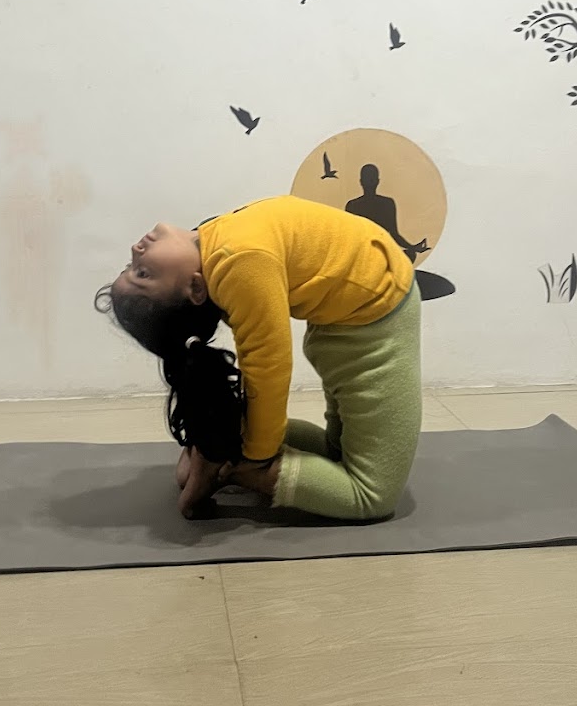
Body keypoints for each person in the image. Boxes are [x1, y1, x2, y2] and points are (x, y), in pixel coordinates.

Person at [95, 195, 422, 520]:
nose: (136, 250)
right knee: (372, 496)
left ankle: (218, 449)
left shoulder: (216, 241)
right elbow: (267, 369)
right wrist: (256, 457)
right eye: (143, 274)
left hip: (350, 320)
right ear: (195, 289)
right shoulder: (239, 261)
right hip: (373, 326)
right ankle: (234, 464)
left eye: (130, 268)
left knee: (338, 451)